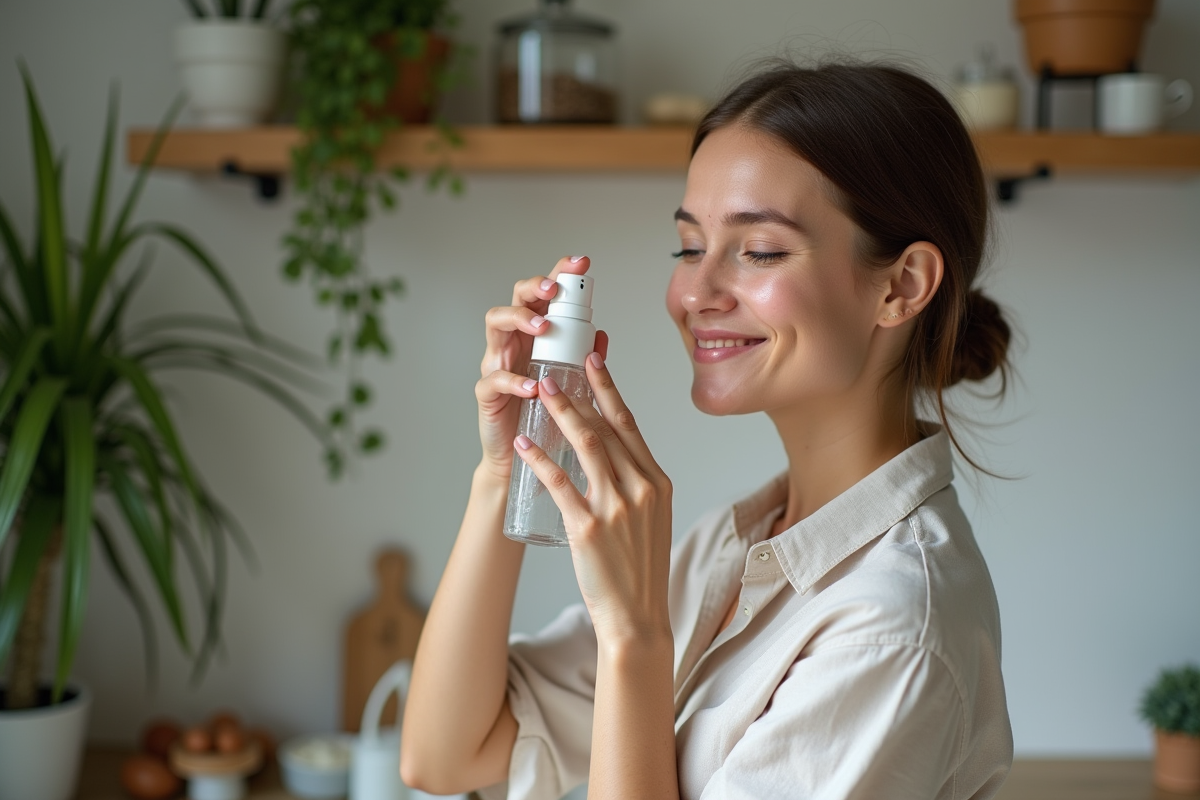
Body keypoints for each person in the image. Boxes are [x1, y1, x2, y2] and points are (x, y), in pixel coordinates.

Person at [401, 58, 1015, 800]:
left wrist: (634, 639)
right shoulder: (734, 554)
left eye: (757, 251)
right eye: (690, 247)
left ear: (902, 285)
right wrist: (506, 472)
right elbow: (445, 756)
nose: (695, 292)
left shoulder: (891, 628)